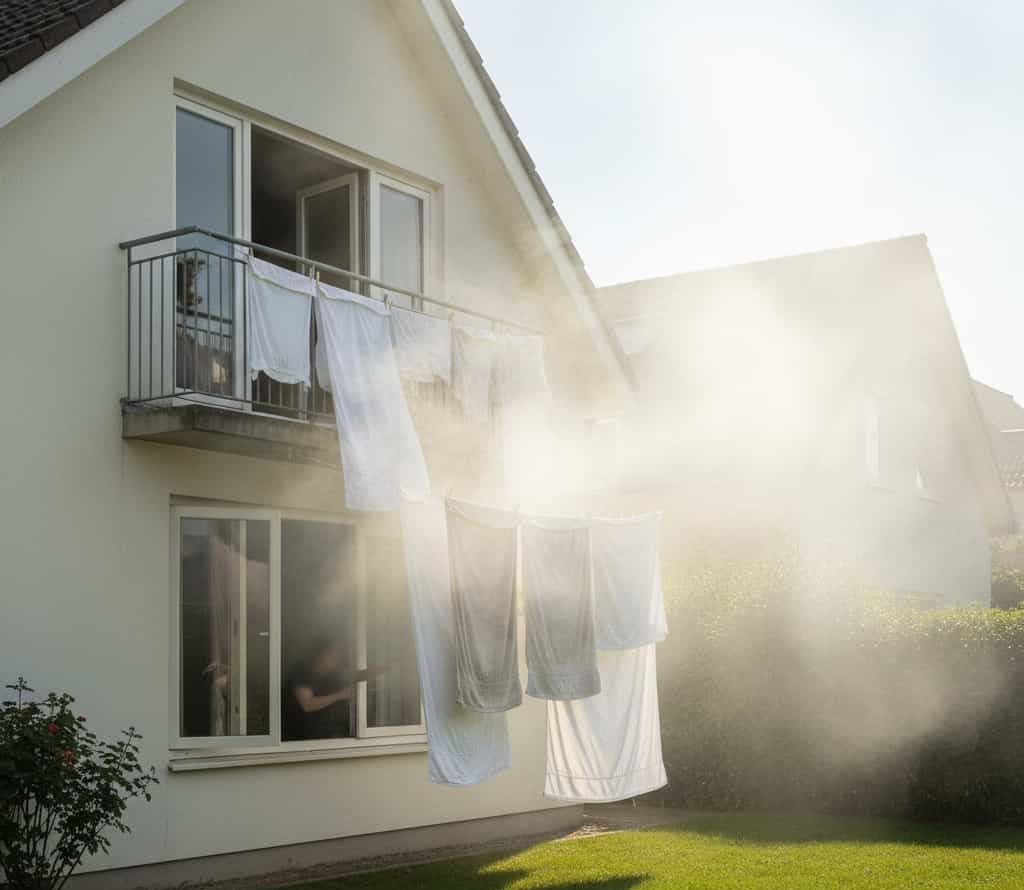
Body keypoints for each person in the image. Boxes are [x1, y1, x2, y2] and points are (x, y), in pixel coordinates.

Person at [284, 636, 353, 741]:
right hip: (302, 738)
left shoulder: (332, 675)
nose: (336, 660)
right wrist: (341, 695)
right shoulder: (302, 673)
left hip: (331, 736)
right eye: (332, 655)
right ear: (320, 655)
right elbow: (307, 704)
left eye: (337, 656)